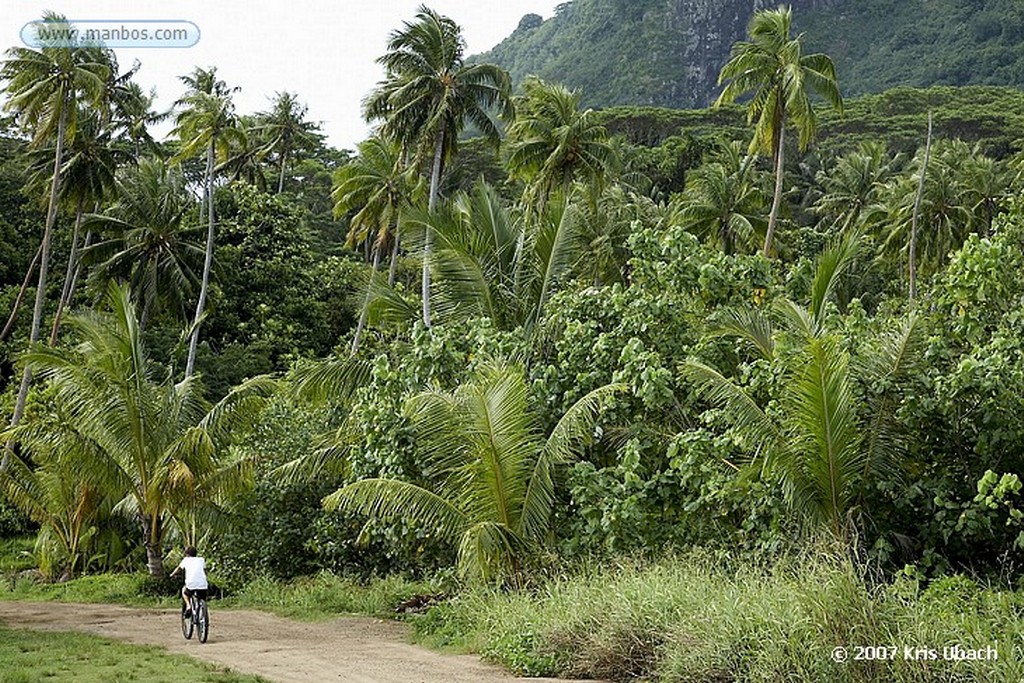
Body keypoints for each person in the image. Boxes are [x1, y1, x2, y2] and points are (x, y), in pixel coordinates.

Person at [169, 546, 208, 618]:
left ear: (187, 554)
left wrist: (172, 574)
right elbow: (205, 571)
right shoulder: (201, 560)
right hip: (203, 585)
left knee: (184, 591)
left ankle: (188, 606)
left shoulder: (186, 560)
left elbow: (178, 569)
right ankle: (201, 608)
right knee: (201, 596)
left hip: (191, 584)